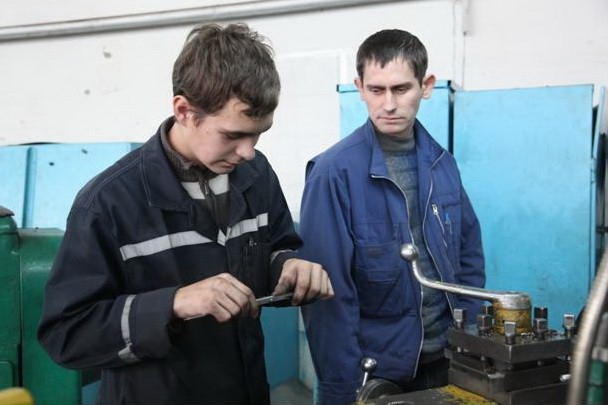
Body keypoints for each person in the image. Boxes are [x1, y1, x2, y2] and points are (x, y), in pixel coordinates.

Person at [38, 22, 334, 405]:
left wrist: (289, 266)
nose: (248, 151)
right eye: (232, 135)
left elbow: (276, 245)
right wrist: (174, 304)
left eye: (259, 132)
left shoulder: (256, 175)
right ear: (184, 111)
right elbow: (66, 334)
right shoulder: (108, 203)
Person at [299, 28, 485, 404]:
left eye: (401, 89)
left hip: (447, 359)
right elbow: (328, 298)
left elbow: (468, 259)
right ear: (360, 88)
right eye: (376, 90)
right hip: (376, 373)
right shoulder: (332, 173)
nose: (388, 104)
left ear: (425, 86)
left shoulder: (442, 164)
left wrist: (471, 344)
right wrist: (345, 390)